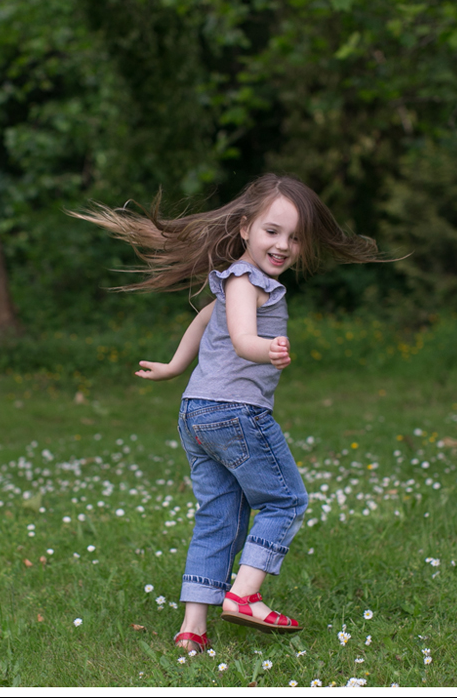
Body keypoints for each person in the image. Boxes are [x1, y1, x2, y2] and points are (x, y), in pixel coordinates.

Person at [69, 174, 387, 653]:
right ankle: (243, 595)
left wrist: (175, 366)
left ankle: (191, 627)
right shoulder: (245, 281)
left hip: (197, 414)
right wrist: (266, 350)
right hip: (236, 414)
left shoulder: (233, 279)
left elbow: (204, 320)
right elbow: (240, 336)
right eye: (273, 231)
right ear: (244, 228)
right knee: (286, 501)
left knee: (219, 515)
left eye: (296, 237)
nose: (284, 245)